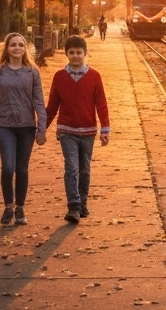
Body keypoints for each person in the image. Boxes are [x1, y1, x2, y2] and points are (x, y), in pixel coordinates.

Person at [0, 33, 48, 226]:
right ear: (7, 48)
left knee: (22, 169)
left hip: (27, 126)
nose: (17, 48)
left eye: (20, 45)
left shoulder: (32, 73)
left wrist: (41, 128)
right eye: (13, 45)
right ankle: (8, 206)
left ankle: (20, 207)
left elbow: (39, 102)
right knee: (8, 167)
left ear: (25, 48)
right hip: (5, 125)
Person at [45, 35, 110, 224]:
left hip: (88, 131)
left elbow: (101, 104)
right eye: (71, 52)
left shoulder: (94, 76)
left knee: (85, 170)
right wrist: (41, 128)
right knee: (71, 167)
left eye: (79, 52)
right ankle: (73, 206)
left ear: (85, 53)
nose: (75, 56)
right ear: (66, 54)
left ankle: (82, 202)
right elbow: (52, 105)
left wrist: (105, 128)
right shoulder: (59, 76)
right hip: (67, 130)